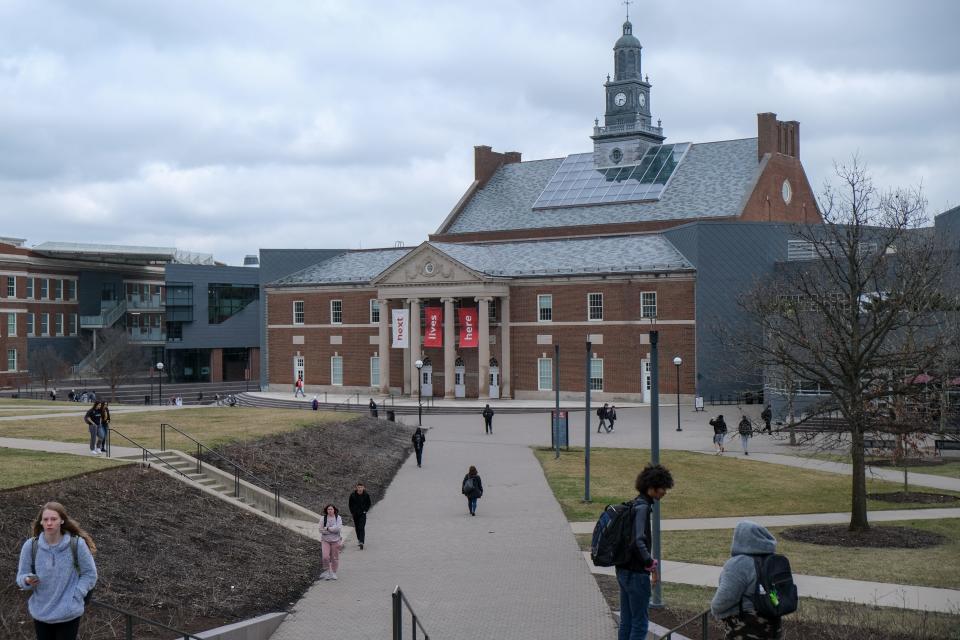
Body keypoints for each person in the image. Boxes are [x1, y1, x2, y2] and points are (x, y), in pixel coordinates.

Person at [16, 501, 98, 640]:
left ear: (61, 521)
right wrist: (27, 580)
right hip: (41, 612)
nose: (49, 523)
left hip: (68, 612)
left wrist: (76, 594)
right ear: (41, 522)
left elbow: (90, 574)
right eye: (46, 519)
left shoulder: (77, 544)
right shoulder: (30, 546)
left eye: (53, 519)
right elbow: (21, 576)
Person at [616, 464, 674, 640]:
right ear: (651, 488)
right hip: (636, 575)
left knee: (626, 621)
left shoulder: (633, 504)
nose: (664, 492)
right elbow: (638, 541)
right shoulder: (642, 508)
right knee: (640, 624)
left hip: (623, 570)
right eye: (662, 488)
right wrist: (651, 566)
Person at [710, 521, 784, 640]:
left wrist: (715, 610)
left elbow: (723, 600)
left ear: (741, 539)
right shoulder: (773, 560)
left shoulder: (738, 564)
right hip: (774, 627)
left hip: (746, 629)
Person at [319, 504, 343, 580]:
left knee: (335, 557)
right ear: (326, 510)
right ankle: (326, 571)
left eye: (331, 509)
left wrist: (328, 529)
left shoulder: (338, 518)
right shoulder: (323, 518)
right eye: (328, 509)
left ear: (334, 510)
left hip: (336, 541)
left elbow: (338, 529)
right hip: (325, 540)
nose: (330, 511)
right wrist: (332, 530)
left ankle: (333, 572)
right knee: (325, 557)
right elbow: (320, 530)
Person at [348, 483, 372, 549]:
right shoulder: (352, 495)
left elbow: (369, 503)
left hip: (362, 514)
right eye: (359, 487)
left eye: (361, 487)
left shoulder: (366, 495)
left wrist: (365, 510)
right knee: (357, 527)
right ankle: (359, 539)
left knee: (361, 527)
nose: (360, 488)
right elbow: (350, 504)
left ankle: (361, 541)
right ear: (356, 488)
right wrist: (352, 512)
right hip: (355, 514)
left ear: (363, 488)